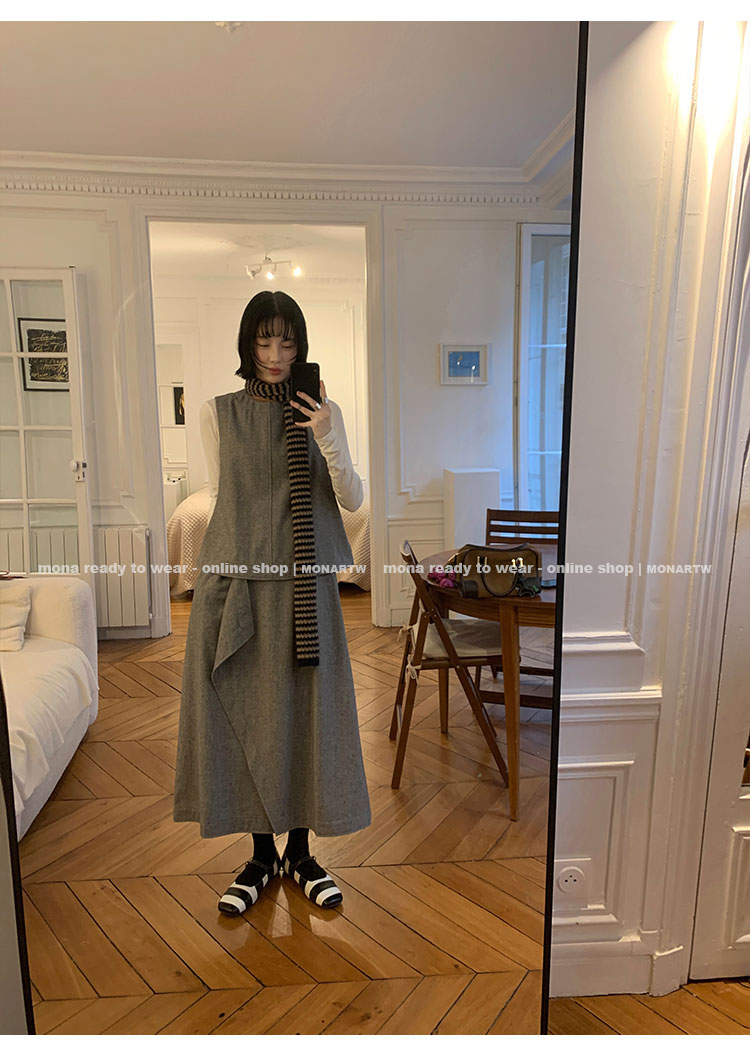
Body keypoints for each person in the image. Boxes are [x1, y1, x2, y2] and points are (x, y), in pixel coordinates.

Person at [173, 290, 371, 914]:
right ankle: (261, 856)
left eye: (288, 341)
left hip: (307, 590)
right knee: (242, 715)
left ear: (301, 345)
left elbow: (354, 498)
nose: (276, 354)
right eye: (264, 340)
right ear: (248, 343)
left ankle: (303, 854)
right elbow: (223, 494)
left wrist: (327, 435)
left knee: (308, 715)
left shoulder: (324, 411)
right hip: (237, 587)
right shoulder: (216, 413)